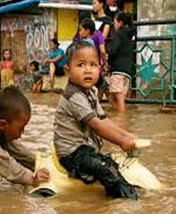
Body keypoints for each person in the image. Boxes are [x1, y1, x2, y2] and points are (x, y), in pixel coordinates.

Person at [54, 40, 137, 199]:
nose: (88, 70)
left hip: (85, 148)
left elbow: (104, 120)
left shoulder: (90, 92)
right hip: (71, 153)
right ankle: (127, 201)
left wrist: (125, 135)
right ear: (67, 70)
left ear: (99, 68)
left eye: (93, 65)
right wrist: (121, 142)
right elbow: (97, 126)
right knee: (105, 169)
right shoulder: (74, 95)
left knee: (110, 164)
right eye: (81, 65)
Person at [107, 12, 134, 113]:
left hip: (118, 69)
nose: (114, 25)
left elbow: (113, 51)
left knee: (119, 98)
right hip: (127, 71)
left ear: (120, 23)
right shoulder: (129, 35)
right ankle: (120, 118)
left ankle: (121, 121)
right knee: (113, 96)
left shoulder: (119, 34)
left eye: (115, 22)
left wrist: (109, 62)